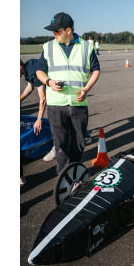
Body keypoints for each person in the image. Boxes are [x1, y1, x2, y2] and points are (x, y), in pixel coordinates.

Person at [36, 12, 100, 174]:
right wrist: (48, 82)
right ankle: (64, 176)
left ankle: (74, 169)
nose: (54, 34)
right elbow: (39, 71)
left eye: (57, 31)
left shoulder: (86, 46)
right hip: (56, 104)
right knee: (60, 143)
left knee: (79, 142)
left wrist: (86, 89)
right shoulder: (48, 47)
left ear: (68, 30)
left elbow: (96, 70)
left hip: (79, 103)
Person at [20, 59, 48, 185]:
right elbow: (30, 86)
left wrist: (39, 119)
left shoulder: (33, 72)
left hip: (60, 90)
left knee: (55, 115)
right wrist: (19, 98)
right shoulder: (28, 68)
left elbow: (43, 99)